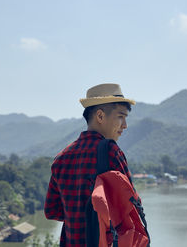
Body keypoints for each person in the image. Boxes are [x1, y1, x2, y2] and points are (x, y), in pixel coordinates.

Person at [44, 83, 136, 246]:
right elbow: (132, 207)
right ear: (100, 116)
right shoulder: (110, 152)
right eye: (120, 116)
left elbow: (52, 211)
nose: (125, 125)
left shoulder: (61, 158)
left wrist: (77, 214)